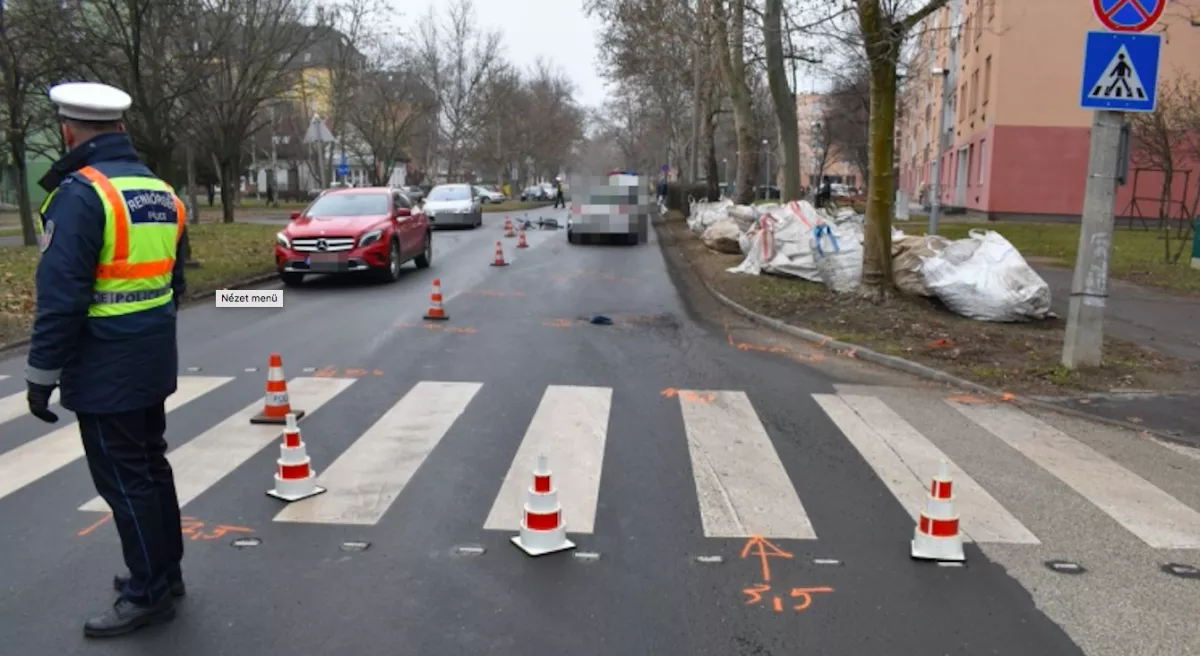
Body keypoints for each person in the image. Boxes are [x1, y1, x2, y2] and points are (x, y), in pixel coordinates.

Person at [25, 82, 189, 638]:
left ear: (69, 132)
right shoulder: (161, 191)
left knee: (124, 479)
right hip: (152, 355)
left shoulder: (81, 194)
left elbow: (62, 296)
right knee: (151, 463)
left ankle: (147, 593)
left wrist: (40, 376)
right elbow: (176, 280)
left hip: (105, 364)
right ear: (120, 128)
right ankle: (166, 572)